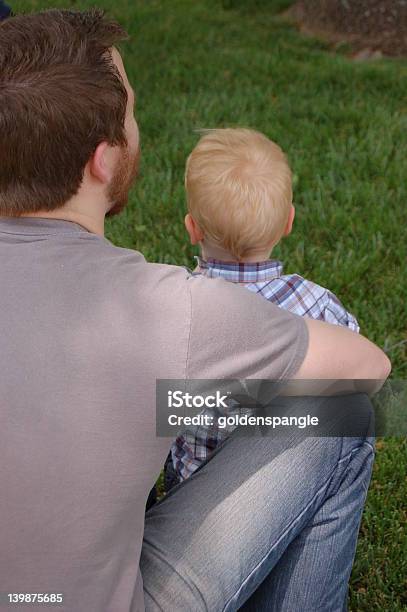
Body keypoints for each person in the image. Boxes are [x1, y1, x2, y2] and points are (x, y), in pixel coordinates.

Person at [0, 9, 390, 612]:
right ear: (103, 160)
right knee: (345, 413)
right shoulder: (162, 309)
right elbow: (370, 367)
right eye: (131, 114)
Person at [166, 127, 360, 488]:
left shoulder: (175, 306)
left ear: (192, 228)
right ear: (289, 221)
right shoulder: (318, 306)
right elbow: (356, 372)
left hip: (189, 490)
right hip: (286, 482)